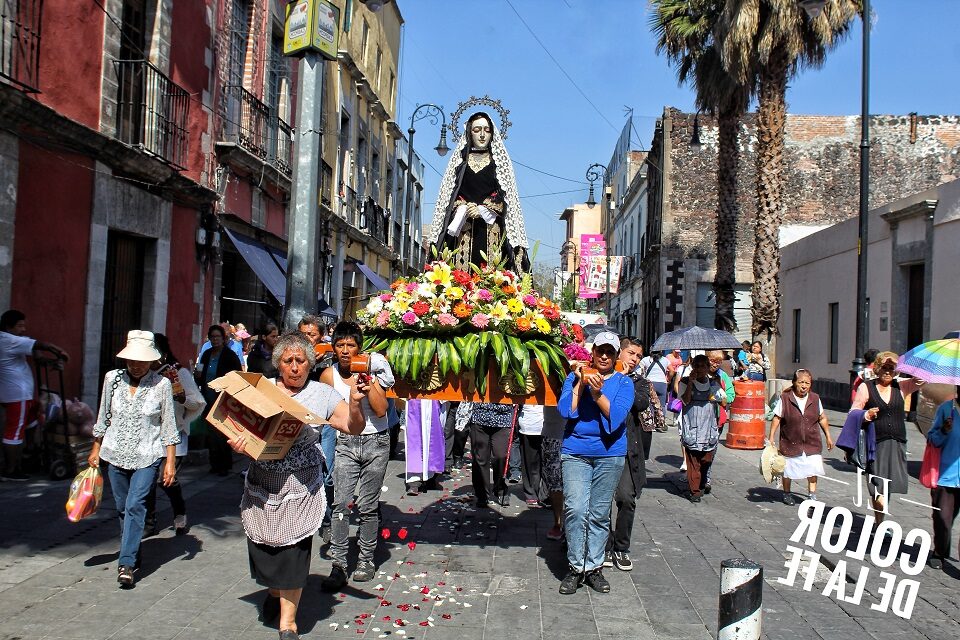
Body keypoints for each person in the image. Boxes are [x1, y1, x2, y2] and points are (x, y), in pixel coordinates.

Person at [226, 331, 368, 640]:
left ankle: (288, 623)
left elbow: (352, 426)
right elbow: (238, 427)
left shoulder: (322, 393)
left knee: (294, 551)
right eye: (288, 361)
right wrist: (239, 443)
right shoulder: (260, 390)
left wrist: (356, 404)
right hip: (263, 483)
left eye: (300, 361)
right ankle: (275, 592)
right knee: (265, 550)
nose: (294, 367)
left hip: (302, 486)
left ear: (310, 363)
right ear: (278, 363)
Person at [87, 331, 179, 587]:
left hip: (146, 456)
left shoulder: (162, 385)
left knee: (136, 505)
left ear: (151, 361)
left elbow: (168, 425)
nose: (136, 365)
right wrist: (96, 447)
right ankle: (134, 552)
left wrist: (169, 461)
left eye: (141, 360)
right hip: (114, 453)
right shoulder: (112, 379)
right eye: (131, 360)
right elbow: (103, 416)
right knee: (122, 507)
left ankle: (126, 563)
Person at [557, 331, 634, 595]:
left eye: (609, 352)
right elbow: (566, 410)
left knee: (599, 514)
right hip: (576, 452)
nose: (604, 356)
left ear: (615, 356)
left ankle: (594, 567)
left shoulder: (624, 383)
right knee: (576, 509)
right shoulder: (573, 377)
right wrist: (580, 383)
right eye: (600, 351)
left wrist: (597, 392)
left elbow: (617, 417)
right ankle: (575, 567)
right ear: (593, 353)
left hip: (609, 453)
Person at [320, 321, 395, 588]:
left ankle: (365, 560)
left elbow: (381, 410)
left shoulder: (370, 373)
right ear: (334, 349)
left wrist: (367, 385)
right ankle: (339, 565)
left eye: (351, 345)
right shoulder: (329, 376)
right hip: (347, 442)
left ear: (360, 349)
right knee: (340, 504)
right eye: (340, 345)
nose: (345, 350)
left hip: (376, 442)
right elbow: (325, 411)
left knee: (367, 505)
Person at [428, 110, 529, 273]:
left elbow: (506, 197)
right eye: (477, 130)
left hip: (490, 229)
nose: (482, 135)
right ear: (470, 132)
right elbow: (449, 196)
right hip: (462, 229)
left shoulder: (500, 164)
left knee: (492, 274)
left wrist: (484, 209)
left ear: (492, 134)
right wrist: (464, 207)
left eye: (486, 130)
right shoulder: (460, 162)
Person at [851, 351, 924, 528]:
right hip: (875, 443)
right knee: (877, 483)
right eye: (884, 367)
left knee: (888, 484)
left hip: (897, 443)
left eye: (892, 368)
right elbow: (853, 412)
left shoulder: (901, 386)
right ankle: (880, 519)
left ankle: (879, 522)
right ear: (877, 368)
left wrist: (908, 366)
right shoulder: (866, 387)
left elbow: (921, 380)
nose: (888, 371)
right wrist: (866, 414)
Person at [144, 334, 205, 536]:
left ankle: (179, 512)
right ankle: (149, 522)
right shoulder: (142, 375)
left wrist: (181, 399)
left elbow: (197, 402)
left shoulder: (178, 373)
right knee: (147, 480)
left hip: (174, 436)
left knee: (165, 479)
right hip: (148, 436)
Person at [0, 310, 68, 480]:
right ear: (9, 327)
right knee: (14, 432)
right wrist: (59, 350)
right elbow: (41, 345)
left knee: (31, 423)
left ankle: (28, 455)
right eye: (20, 325)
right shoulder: (7, 340)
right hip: (17, 395)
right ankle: (10, 471)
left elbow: (35, 352)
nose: (23, 329)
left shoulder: (11, 340)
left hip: (22, 395)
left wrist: (50, 361)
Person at [604, 337, 649, 573]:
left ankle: (621, 546)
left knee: (626, 498)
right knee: (600, 501)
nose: (634, 359)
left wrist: (622, 379)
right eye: (631, 353)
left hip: (627, 449)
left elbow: (640, 403)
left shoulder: (639, 382)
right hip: (602, 446)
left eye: (639, 356)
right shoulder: (603, 376)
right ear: (619, 353)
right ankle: (604, 546)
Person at [768, 369, 834, 506]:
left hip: (812, 442)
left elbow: (822, 418)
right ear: (794, 383)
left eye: (807, 383)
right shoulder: (786, 398)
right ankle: (787, 493)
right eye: (801, 382)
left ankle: (812, 495)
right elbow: (777, 418)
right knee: (788, 469)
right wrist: (771, 437)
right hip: (790, 441)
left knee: (813, 468)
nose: (804, 386)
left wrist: (828, 436)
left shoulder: (815, 398)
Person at [195, 324, 243, 476]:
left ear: (224, 339)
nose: (215, 340)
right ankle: (214, 464)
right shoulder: (206, 353)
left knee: (221, 433)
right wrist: (198, 376)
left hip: (223, 399)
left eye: (218, 337)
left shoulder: (230, 355)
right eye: (213, 337)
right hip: (208, 398)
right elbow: (200, 371)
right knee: (211, 434)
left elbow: (237, 376)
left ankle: (224, 465)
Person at [678, 354, 727, 503]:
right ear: (693, 367)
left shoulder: (713, 382)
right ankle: (695, 490)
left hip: (708, 425)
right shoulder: (685, 381)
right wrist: (691, 383)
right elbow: (685, 400)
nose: (700, 369)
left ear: (707, 368)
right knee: (693, 459)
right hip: (692, 423)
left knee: (706, 457)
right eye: (697, 366)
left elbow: (723, 400)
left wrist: (718, 388)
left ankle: (702, 480)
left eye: (703, 366)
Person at [925, 390, 960, 569]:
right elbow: (932, 438)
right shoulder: (946, 409)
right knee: (942, 519)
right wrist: (944, 431)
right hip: (945, 476)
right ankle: (940, 551)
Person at [470, 402, 516, 508]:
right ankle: (482, 494)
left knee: (501, 456)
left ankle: (500, 489)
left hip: (502, 419)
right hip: (480, 417)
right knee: (480, 458)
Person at [703, 350, 737, 495]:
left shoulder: (723, 376)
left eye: (718, 361)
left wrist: (722, 397)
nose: (715, 364)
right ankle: (697, 476)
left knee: (711, 449)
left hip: (717, 418)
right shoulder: (699, 373)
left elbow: (731, 395)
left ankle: (706, 478)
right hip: (700, 418)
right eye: (712, 360)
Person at [404, 399, 446, 495]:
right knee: (414, 438)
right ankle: (414, 481)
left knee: (434, 437)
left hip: (434, 400)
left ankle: (431, 476)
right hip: (414, 400)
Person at [541, 406, 566, 541]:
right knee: (554, 483)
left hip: (577, 436)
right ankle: (558, 522)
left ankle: (570, 523)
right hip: (553, 433)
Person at [517, 404, 547, 507]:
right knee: (529, 463)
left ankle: (545, 494)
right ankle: (531, 492)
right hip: (529, 425)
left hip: (549, 425)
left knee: (547, 463)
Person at [639, 350, 671, 420]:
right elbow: (672, 370)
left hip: (650, 383)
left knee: (650, 403)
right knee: (662, 404)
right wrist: (668, 379)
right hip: (662, 384)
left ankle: (652, 420)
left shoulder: (646, 359)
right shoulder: (665, 360)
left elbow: (640, 370)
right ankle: (661, 421)